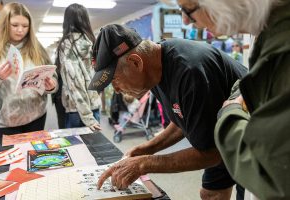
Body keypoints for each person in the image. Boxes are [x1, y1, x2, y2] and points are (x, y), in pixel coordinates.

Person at [88, 24, 247, 199]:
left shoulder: (190, 72)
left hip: (253, 135)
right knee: (210, 195)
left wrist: (143, 164)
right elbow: (183, 120)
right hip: (219, 128)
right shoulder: (153, 69)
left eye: (115, 80)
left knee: (247, 189)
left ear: (136, 62)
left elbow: (212, 153)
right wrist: (145, 149)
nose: (116, 90)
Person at [177, 0, 290, 199]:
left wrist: (229, 114)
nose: (185, 20)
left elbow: (272, 176)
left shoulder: (282, 44)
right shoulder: (269, 31)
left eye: (188, 8)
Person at [0, 2, 57, 139]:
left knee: (32, 157)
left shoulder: (37, 48)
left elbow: (53, 76)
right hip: (1, 123)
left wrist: (52, 86)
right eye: (14, 25)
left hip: (35, 118)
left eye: (25, 26)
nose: (20, 30)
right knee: (6, 160)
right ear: (4, 24)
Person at [55, 3, 101, 130]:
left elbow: (74, 83)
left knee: (77, 148)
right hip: (94, 105)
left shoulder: (67, 44)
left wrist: (87, 117)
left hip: (78, 109)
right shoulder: (92, 41)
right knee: (95, 148)